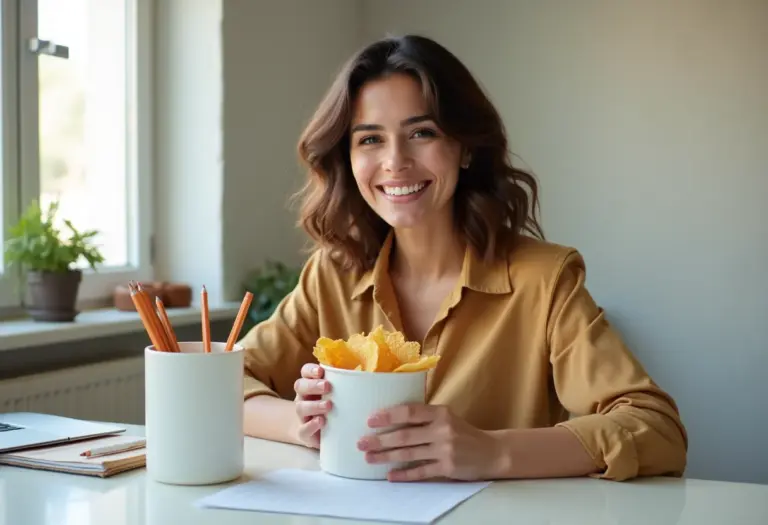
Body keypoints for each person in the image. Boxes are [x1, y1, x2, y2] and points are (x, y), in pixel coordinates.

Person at [239, 34, 687, 483]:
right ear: (348, 158)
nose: (395, 161)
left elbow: (656, 429)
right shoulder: (331, 274)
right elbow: (225, 381)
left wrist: (494, 451)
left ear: (466, 146)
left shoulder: (545, 281)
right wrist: (300, 423)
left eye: (422, 133)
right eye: (370, 139)